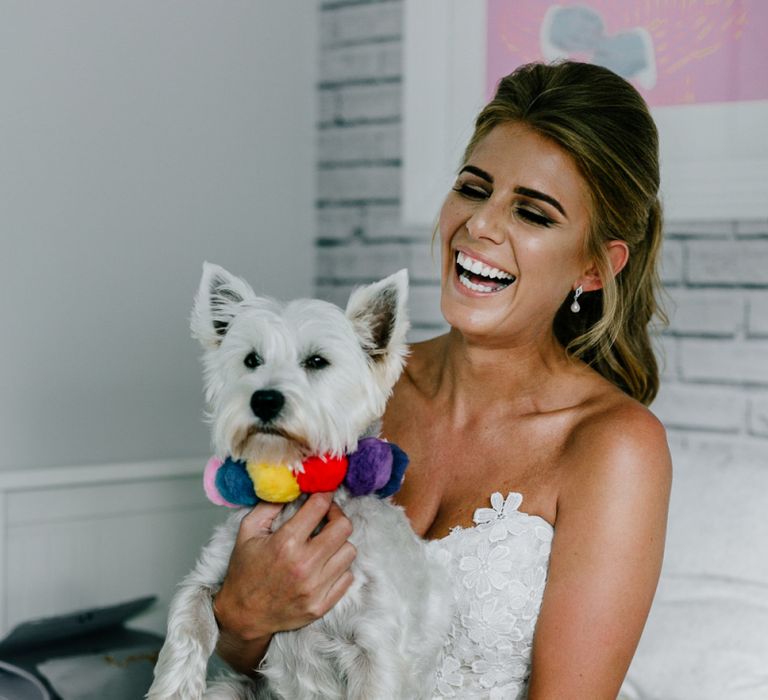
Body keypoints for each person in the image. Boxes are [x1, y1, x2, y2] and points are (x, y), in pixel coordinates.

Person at [212, 61, 672, 699]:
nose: (480, 225)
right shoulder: (349, 388)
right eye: (473, 188)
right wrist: (241, 614)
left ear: (594, 267)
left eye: (533, 214)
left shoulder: (613, 448)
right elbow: (248, 659)